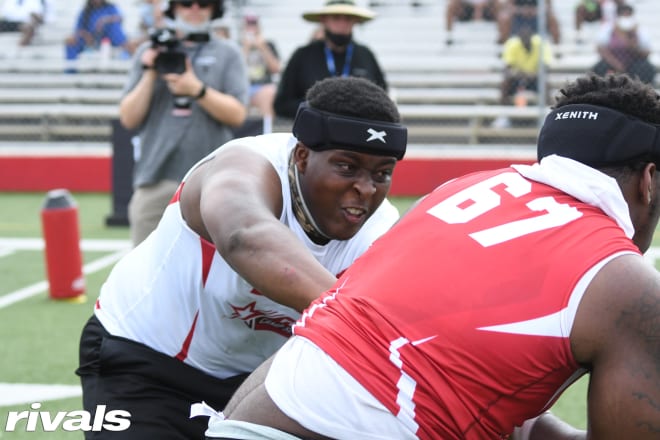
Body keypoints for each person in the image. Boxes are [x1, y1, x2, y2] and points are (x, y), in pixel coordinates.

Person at [205, 72, 660, 440]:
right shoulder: (621, 280)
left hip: (241, 422)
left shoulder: (457, 192)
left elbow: (460, 382)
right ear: (649, 181)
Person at [76, 76, 407, 439]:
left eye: (382, 173)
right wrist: (358, 322)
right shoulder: (245, 165)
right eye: (347, 167)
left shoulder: (382, 230)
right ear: (301, 156)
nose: (365, 187)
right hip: (146, 357)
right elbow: (244, 236)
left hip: (256, 381)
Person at [118, 0, 249, 247]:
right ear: (173, 8)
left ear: (215, 9)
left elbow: (237, 115)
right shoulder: (149, 51)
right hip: (155, 177)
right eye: (186, 3)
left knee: (211, 275)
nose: (195, 10)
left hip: (211, 181)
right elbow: (128, 118)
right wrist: (150, 71)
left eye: (204, 4)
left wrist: (196, 90)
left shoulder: (227, 52)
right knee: (146, 271)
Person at [273, 0, 387, 119]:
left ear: (355, 21)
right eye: (336, 17)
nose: (342, 24)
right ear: (324, 20)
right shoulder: (302, 55)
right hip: (315, 132)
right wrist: (318, 108)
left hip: (358, 131)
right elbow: (282, 104)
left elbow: (381, 100)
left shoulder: (366, 55)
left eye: (348, 18)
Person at [492, 23, 553, 128]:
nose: (525, 42)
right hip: (517, 78)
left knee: (546, 84)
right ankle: (503, 116)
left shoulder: (540, 44)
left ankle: (547, 116)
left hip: (535, 78)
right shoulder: (513, 44)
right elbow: (507, 68)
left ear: (531, 38)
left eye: (527, 40)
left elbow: (545, 67)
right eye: (522, 40)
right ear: (519, 39)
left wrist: (532, 74)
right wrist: (518, 74)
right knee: (505, 84)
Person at [592, 3, 656, 85]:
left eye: (628, 15)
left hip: (634, 64)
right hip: (612, 63)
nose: (625, 17)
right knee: (600, 68)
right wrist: (617, 64)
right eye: (623, 14)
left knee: (647, 69)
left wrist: (630, 44)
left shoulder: (640, 30)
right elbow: (601, 49)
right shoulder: (608, 28)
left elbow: (646, 52)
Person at [240, 13, 280, 121]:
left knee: (269, 92)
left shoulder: (269, 45)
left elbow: (276, 69)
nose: (251, 28)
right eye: (248, 25)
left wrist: (263, 48)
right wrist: (246, 49)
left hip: (263, 87)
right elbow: (235, 70)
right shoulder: (237, 46)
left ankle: (267, 129)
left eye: (254, 25)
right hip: (242, 87)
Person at [64, 0, 131, 63]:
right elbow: (78, 29)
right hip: (91, 40)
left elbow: (120, 18)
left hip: (110, 38)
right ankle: (70, 71)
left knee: (113, 26)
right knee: (71, 42)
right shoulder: (85, 12)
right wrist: (86, 35)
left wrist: (104, 20)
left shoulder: (111, 8)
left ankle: (125, 49)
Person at [497, 0, 561, 45]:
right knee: (504, 18)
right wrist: (522, 10)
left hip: (537, 18)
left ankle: (557, 48)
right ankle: (503, 46)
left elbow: (548, 7)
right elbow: (508, 6)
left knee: (552, 18)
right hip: (519, 18)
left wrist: (535, 11)